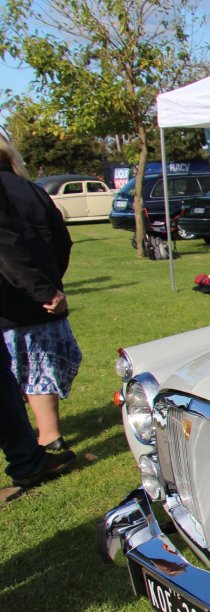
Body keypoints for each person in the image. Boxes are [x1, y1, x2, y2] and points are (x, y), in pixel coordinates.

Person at [0, 142, 75, 500]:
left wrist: (44, 289)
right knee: (37, 367)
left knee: (17, 372)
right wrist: (49, 285)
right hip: (35, 295)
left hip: (19, 299)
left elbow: (8, 248)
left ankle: (39, 445)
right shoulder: (31, 190)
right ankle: (46, 436)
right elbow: (61, 240)